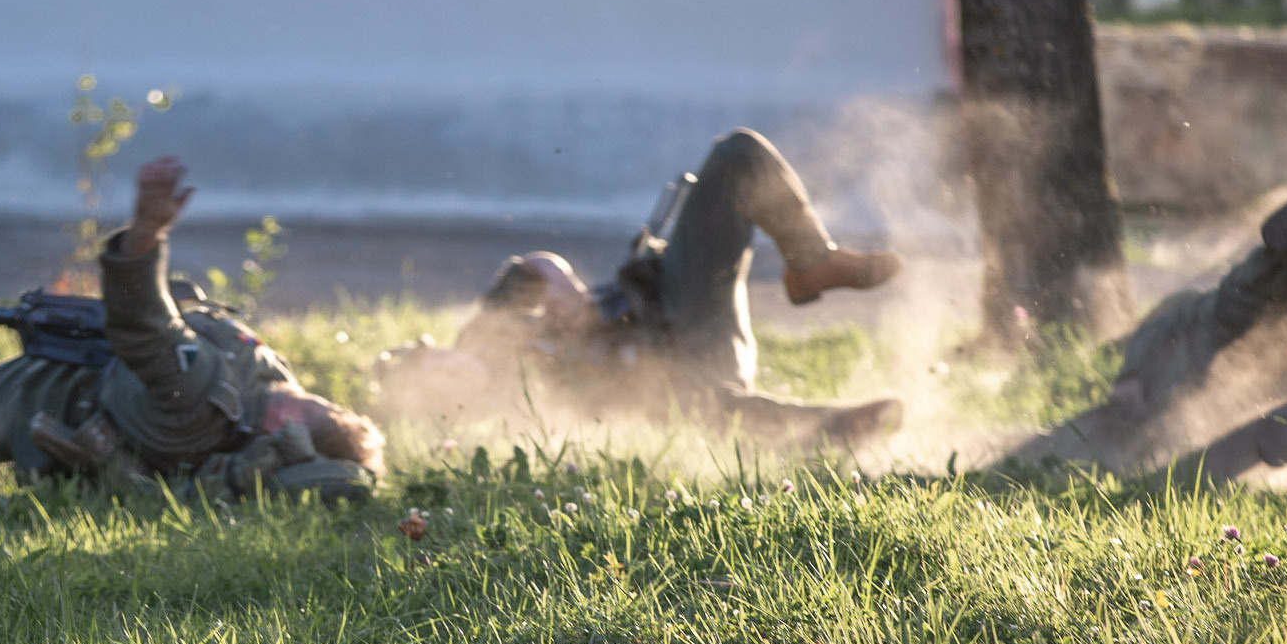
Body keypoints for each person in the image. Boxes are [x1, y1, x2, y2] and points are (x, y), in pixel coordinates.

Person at [0, 156, 383, 503]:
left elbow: (146, 330)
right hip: (85, 382)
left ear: (285, 430)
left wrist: (144, 240)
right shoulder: (261, 385)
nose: (299, 395)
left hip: (45, 394)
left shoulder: (205, 398)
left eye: (309, 412)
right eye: (324, 401)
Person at [378, 128, 906, 445]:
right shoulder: (499, 424)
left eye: (430, 359)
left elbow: (528, 267)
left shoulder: (482, 331)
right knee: (699, 407)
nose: (447, 370)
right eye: (433, 385)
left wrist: (558, 281)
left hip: (671, 301)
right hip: (687, 375)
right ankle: (835, 428)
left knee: (736, 156)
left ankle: (813, 262)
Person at [1000, 148, 1287, 485]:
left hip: (1263, 346)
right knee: (1271, 305)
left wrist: (1132, 375)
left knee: (1240, 303)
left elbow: (1162, 327)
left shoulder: (1173, 333)